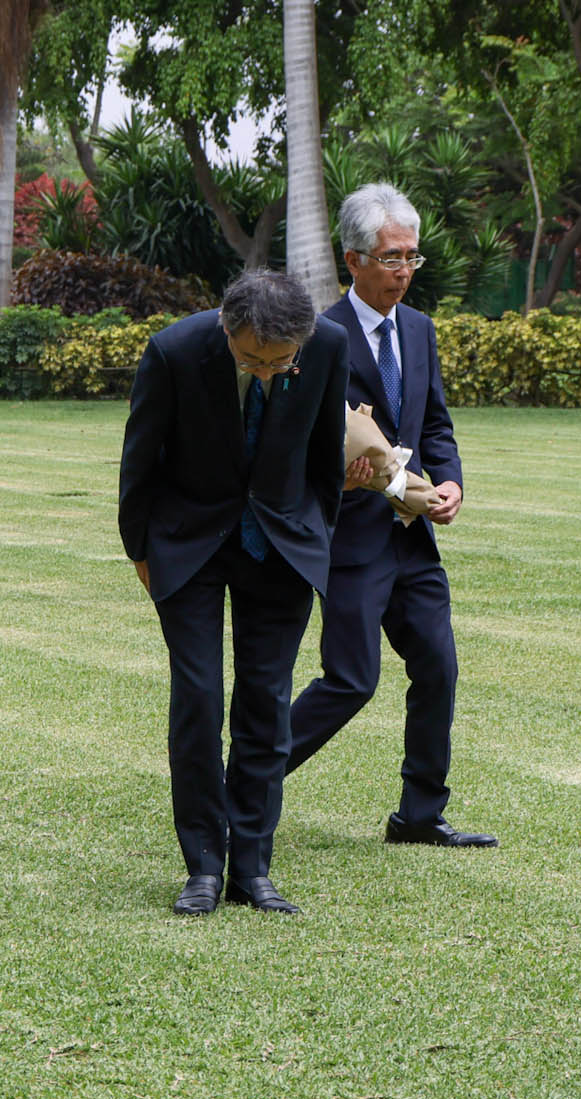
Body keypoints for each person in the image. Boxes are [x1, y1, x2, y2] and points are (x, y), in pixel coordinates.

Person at [120, 270, 351, 916]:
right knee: (197, 700)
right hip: (189, 544)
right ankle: (201, 867)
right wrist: (142, 552)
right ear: (227, 330)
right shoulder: (173, 350)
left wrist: (315, 538)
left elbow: (326, 463)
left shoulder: (327, 348)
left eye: (283, 361)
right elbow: (139, 461)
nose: (271, 371)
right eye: (254, 359)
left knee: (266, 704)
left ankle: (252, 868)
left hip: (281, 548)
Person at [285, 184, 494, 849]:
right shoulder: (317, 339)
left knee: (438, 666)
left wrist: (451, 481)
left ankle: (419, 815)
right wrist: (400, 483)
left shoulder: (421, 330)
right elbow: (310, 446)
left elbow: (434, 423)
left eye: (412, 257)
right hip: (351, 539)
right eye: (390, 257)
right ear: (353, 260)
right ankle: (246, 781)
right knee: (350, 681)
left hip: (413, 541)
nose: (403, 270)